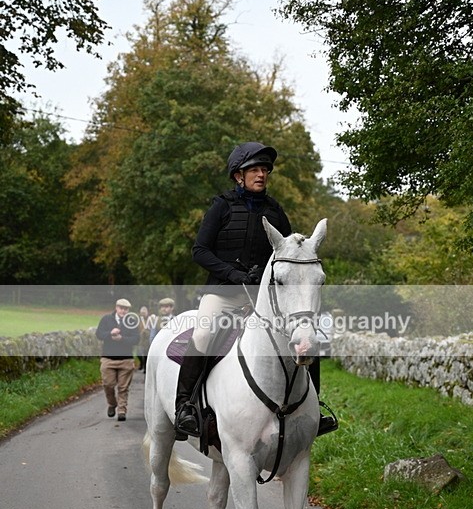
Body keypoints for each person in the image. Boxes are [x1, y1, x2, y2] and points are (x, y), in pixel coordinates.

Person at [174, 141, 337, 440]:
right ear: (239, 175)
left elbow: (287, 254)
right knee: (203, 333)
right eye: (254, 170)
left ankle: (316, 408)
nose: (261, 174)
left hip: (264, 297)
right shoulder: (221, 206)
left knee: (306, 336)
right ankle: (184, 406)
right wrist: (234, 274)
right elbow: (200, 251)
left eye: (265, 170)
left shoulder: (275, 210)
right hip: (223, 292)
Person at [95, 298, 140, 421]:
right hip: (108, 359)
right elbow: (99, 334)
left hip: (126, 359)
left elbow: (136, 339)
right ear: (116, 308)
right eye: (121, 308)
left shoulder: (132, 321)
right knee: (108, 384)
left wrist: (122, 339)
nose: (123, 311)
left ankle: (121, 411)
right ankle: (112, 404)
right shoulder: (106, 319)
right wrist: (110, 333)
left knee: (123, 387)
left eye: (126, 309)